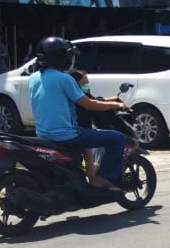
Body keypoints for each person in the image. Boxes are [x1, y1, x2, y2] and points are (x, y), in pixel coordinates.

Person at [29, 37, 128, 190]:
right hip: (68, 136)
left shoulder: (33, 78)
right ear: (60, 58)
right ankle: (99, 180)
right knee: (118, 139)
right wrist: (115, 105)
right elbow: (89, 104)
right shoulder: (64, 79)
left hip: (42, 136)